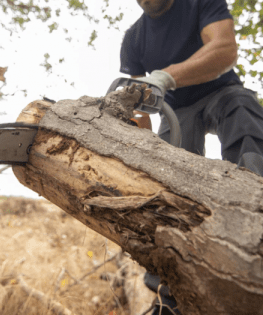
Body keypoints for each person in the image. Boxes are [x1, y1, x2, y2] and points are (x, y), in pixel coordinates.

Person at [119, 0, 263, 314]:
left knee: (243, 109)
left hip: (221, 91)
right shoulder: (133, 39)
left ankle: (257, 203)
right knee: (165, 183)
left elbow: (225, 48)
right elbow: (135, 100)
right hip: (177, 112)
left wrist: (167, 76)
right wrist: (141, 147)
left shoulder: (201, 2)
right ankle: (170, 298)